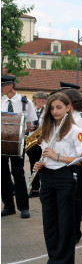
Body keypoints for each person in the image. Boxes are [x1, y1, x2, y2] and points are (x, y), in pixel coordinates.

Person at [33, 93, 82, 264]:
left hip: (65, 177)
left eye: (59, 107)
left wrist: (57, 157)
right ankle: (53, 261)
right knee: (49, 223)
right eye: (52, 108)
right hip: (47, 176)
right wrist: (41, 163)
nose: (55, 111)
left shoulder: (75, 130)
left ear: (68, 108)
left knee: (65, 223)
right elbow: (45, 154)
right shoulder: (48, 129)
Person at [1, 74, 37, 219]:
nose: (0, 88)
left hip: (18, 143)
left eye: (2, 85)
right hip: (1, 143)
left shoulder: (25, 102)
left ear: (10, 85)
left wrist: (27, 128)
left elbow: (32, 125)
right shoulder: (0, 101)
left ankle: (23, 207)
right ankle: (8, 206)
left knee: (18, 174)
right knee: (3, 176)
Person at [62, 87, 82, 243]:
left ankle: (75, 231)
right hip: (66, 161)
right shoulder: (72, 115)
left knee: (75, 196)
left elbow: (81, 141)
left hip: (76, 161)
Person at [26, 91, 48, 198]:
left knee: (43, 165)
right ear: (34, 100)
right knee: (33, 165)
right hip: (32, 141)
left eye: (43, 98)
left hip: (42, 141)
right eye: (39, 98)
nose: (41, 100)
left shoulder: (47, 112)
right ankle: (35, 188)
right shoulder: (32, 111)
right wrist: (28, 128)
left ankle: (44, 188)